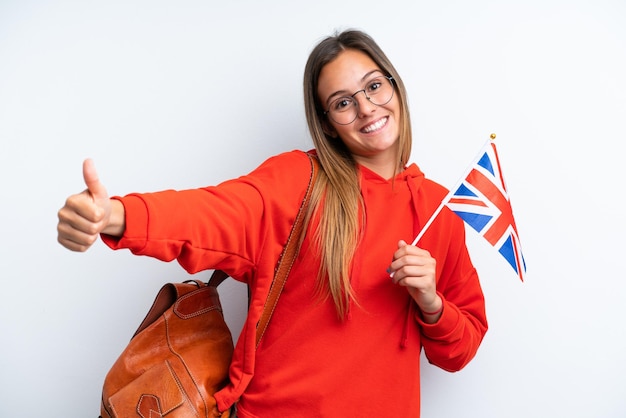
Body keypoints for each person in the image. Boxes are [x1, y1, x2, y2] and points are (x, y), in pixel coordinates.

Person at [57, 29, 487, 417]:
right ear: (328, 125)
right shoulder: (300, 181)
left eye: (374, 86)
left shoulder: (439, 211)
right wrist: (116, 215)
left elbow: (459, 351)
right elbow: (211, 214)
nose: (366, 107)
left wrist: (431, 303)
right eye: (342, 102)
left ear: (394, 87)